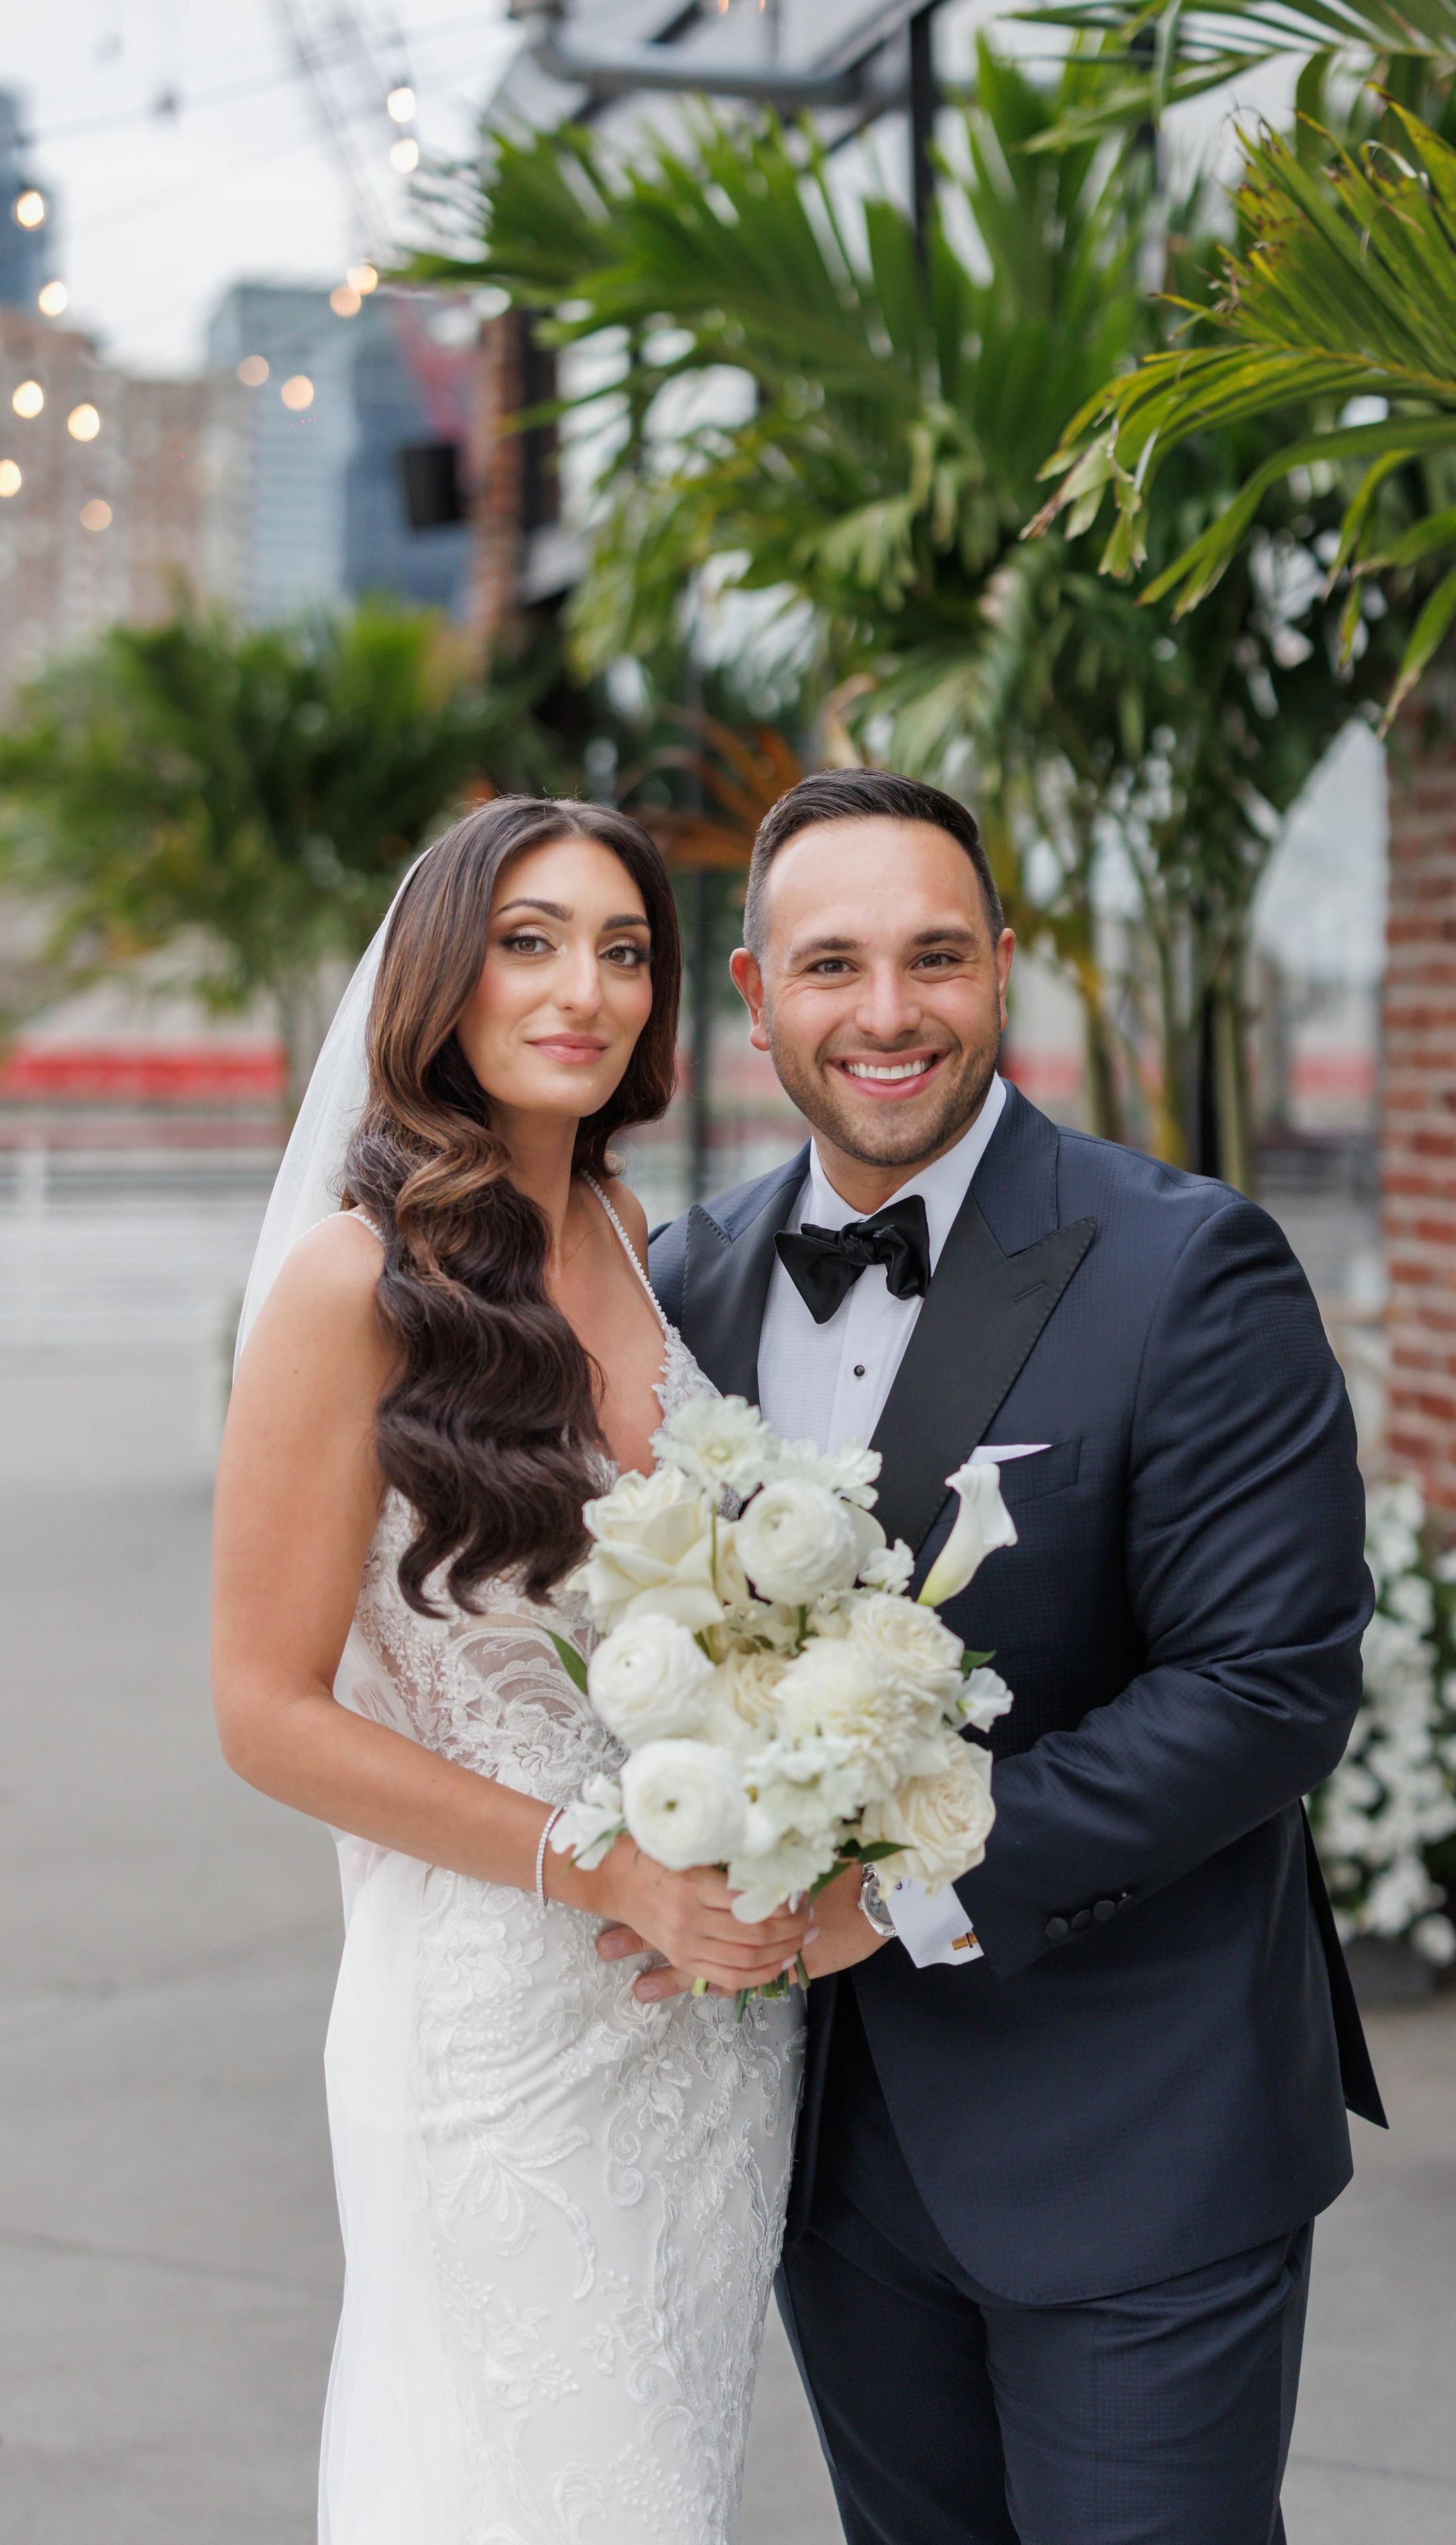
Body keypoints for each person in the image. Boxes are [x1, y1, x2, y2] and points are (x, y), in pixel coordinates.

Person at [637, 767, 1386, 2545]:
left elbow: (1265, 1689)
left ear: (1004, 970)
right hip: (829, 2152)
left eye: (936, 958)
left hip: (1134, 2128)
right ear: (755, 996)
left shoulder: (1188, 1263)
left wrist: (886, 1893)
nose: (888, 1014)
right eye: (833, 965)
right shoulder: (686, 1284)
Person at [211, 796, 808, 2545]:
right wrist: (599, 1860)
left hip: (698, 2027)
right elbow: (263, 1711)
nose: (587, 988)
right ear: (441, 980)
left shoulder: (629, 1229)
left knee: (664, 2483)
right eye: (531, 941)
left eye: (625, 950)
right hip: (490, 2026)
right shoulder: (352, 1285)